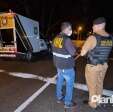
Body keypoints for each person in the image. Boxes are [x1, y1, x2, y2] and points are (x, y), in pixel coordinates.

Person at [80, 17, 113, 108]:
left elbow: (82, 53)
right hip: (104, 65)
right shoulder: (110, 37)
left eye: (94, 25)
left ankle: (93, 104)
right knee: (100, 83)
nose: (92, 27)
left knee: (92, 86)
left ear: (99, 26)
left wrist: (85, 49)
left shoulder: (93, 37)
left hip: (93, 66)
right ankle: (98, 101)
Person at [52, 22, 76, 108]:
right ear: (67, 29)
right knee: (69, 84)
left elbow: (56, 50)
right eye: (70, 29)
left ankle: (59, 97)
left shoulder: (55, 38)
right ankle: (67, 103)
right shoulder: (67, 39)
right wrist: (75, 48)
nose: (71, 31)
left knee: (59, 81)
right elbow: (73, 53)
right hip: (67, 67)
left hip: (58, 66)